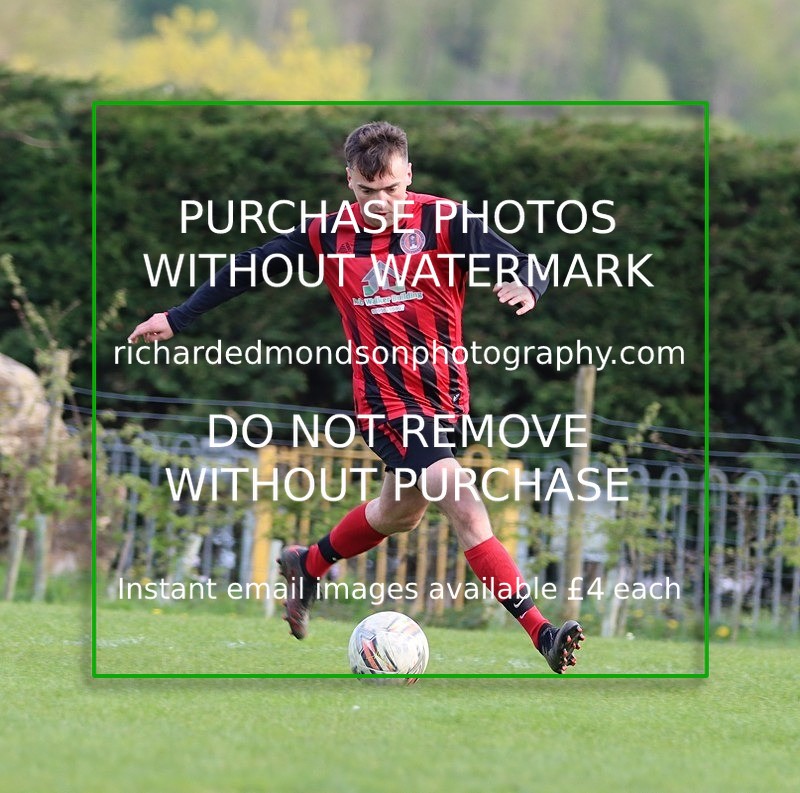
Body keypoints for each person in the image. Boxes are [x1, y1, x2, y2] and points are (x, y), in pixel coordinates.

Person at [128, 120, 584, 673]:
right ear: (349, 180)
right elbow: (249, 266)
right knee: (463, 502)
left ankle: (307, 562)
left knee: (399, 515)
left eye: (391, 190)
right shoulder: (326, 234)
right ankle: (542, 633)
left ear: (408, 174)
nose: (380, 204)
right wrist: (177, 318)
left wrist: (527, 284)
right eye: (368, 193)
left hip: (447, 400)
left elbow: (524, 261)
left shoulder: (446, 220)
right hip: (387, 405)